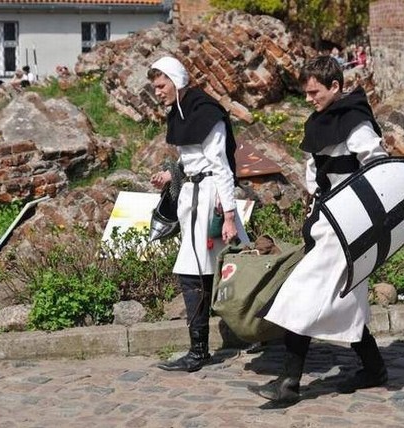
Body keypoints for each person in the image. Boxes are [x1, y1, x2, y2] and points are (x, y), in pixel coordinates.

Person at [247, 56, 389, 403]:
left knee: (303, 292)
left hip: (350, 225)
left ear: (335, 87)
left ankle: (288, 384)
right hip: (327, 222)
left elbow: (379, 168)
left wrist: (355, 211)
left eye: (315, 92)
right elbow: (315, 176)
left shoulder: (355, 122)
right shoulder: (317, 123)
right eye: (306, 93)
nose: (309, 99)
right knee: (342, 302)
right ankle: (374, 368)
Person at [147, 56, 250, 373]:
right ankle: (200, 349)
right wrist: (172, 175)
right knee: (203, 273)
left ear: (176, 81)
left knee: (234, 269)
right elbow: (193, 160)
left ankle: (261, 331)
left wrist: (229, 216)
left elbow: (220, 167)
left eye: (161, 85)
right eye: (155, 86)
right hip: (192, 198)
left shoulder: (206, 113)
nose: (158, 92)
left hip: (211, 202)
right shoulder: (181, 111)